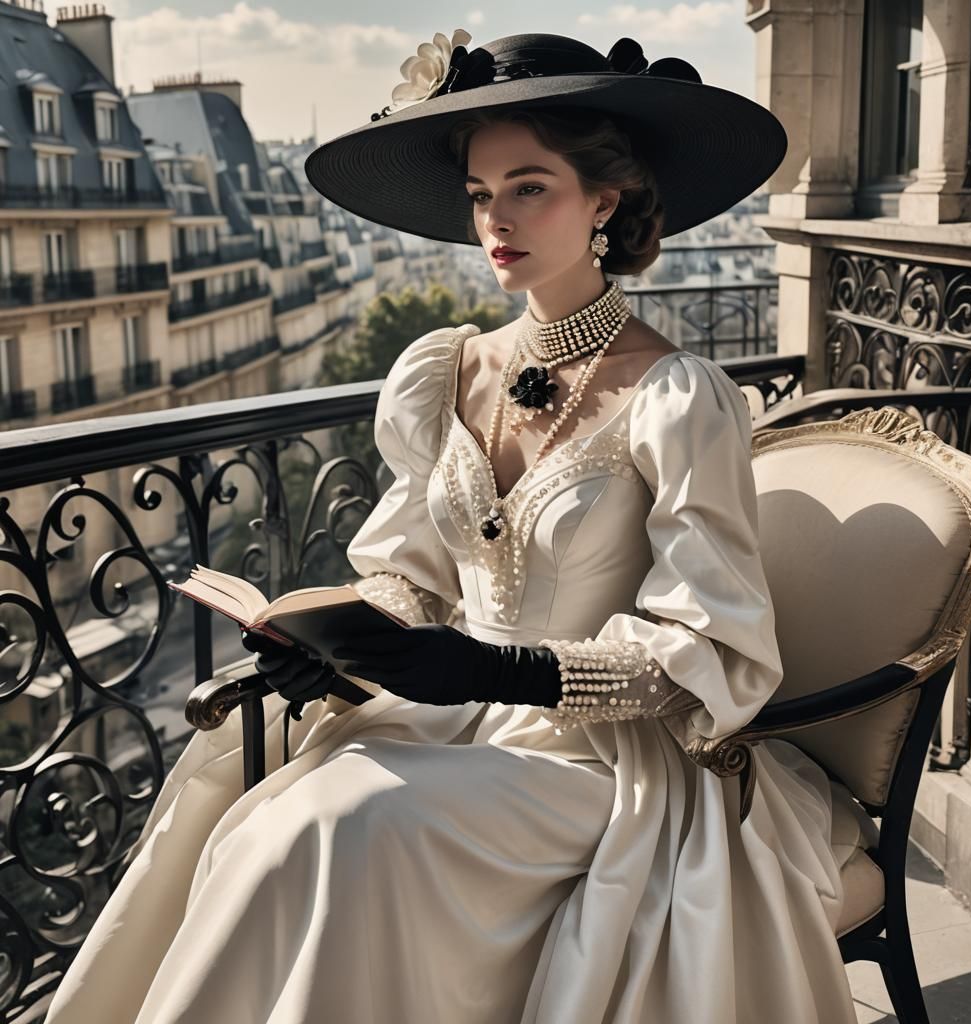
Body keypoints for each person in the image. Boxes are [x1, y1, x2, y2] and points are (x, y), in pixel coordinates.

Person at [43, 31, 864, 1024]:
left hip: (594, 758)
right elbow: (407, 572)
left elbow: (711, 649)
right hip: (442, 720)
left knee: (344, 822)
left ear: (605, 198)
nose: (495, 221)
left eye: (529, 187)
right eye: (480, 193)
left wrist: (494, 671)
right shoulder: (445, 371)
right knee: (274, 822)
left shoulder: (678, 397)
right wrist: (342, 644)